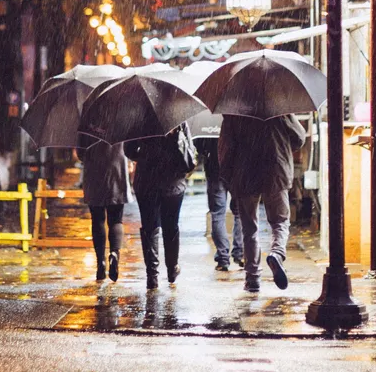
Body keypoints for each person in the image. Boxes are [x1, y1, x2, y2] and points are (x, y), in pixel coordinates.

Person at [218, 112, 306, 292]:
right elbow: (299, 137)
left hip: (245, 175)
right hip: (275, 170)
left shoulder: (234, 112)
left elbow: (225, 152)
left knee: (249, 228)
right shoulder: (279, 108)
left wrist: (230, 178)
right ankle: (277, 253)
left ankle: (252, 278)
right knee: (280, 221)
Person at [127, 123, 197, 290]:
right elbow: (189, 150)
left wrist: (145, 154)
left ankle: (152, 275)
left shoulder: (140, 118)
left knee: (149, 227)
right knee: (171, 226)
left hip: (147, 181)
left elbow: (129, 150)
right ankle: (172, 268)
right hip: (172, 183)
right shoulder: (178, 119)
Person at [81, 141, 129, 283]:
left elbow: (80, 152)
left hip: (93, 171)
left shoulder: (87, 121)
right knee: (116, 219)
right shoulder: (122, 119)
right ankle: (114, 253)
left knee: (97, 219)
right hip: (117, 169)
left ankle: (100, 262)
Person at [196, 135, 243, 271]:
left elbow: (199, 145)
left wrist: (208, 152)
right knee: (240, 212)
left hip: (214, 169)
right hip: (236, 169)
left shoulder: (207, 120)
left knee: (217, 214)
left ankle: (223, 259)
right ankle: (240, 253)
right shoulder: (238, 116)